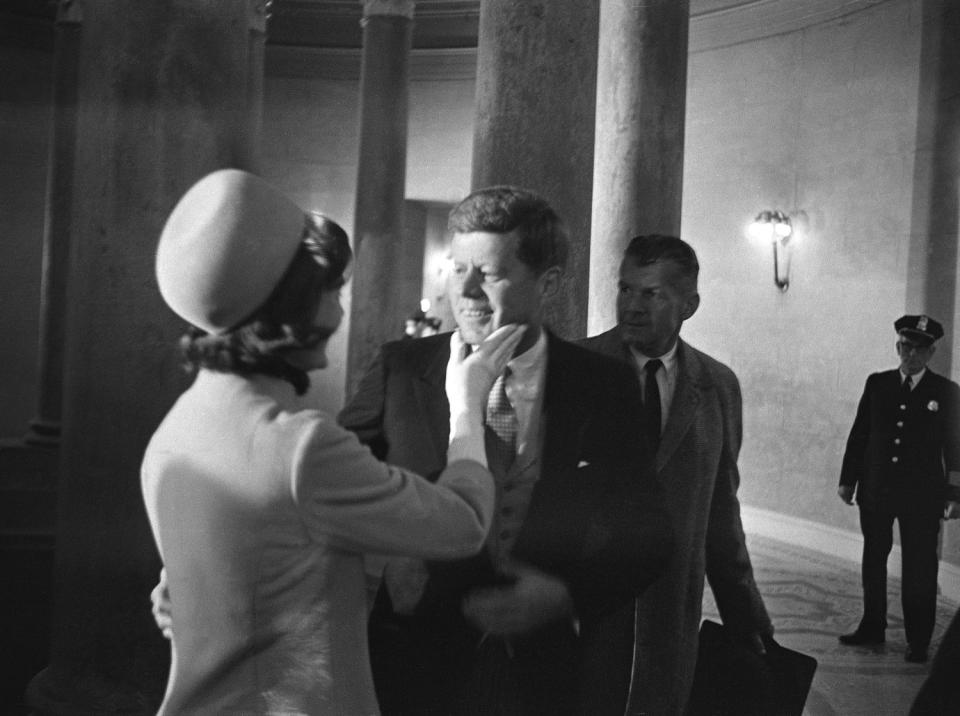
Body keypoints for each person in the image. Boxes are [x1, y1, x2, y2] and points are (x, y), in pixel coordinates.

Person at [142, 168, 527, 715]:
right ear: (295, 308)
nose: (341, 310)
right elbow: (463, 524)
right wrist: (466, 404)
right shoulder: (299, 447)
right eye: (332, 291)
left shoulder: (175, 429)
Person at [338, 186, 673, 715]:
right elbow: (327, 491)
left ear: (549, 283)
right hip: (413, 661)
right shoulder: (402, 369)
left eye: (489, 273)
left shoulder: (602, 385)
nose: (464, 290)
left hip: (544, 671)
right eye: (457, 268)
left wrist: (567, 594)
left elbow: (651, 533)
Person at [579, 234, 774, 716]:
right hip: (584, 606)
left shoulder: (715, 387)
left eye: (652, 293)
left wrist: (743, 609)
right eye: (626, 289)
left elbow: (721, 510)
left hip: (669, 612)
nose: (632, 306)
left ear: (689, 305)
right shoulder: (574, 369)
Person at [837, 314, 960, 663]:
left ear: (931, 352)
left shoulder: (947, 393)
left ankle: (918, 640)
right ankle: (872, 626)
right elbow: (860, 433)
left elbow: (955, 447)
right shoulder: (877, 384)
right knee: (873, 559)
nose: (911, 355)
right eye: (906, 347)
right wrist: (848, 479)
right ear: (897, 347)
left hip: (922, 497)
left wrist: (955, 493)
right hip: (876, 489)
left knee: (920, 567)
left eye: (920, 349)